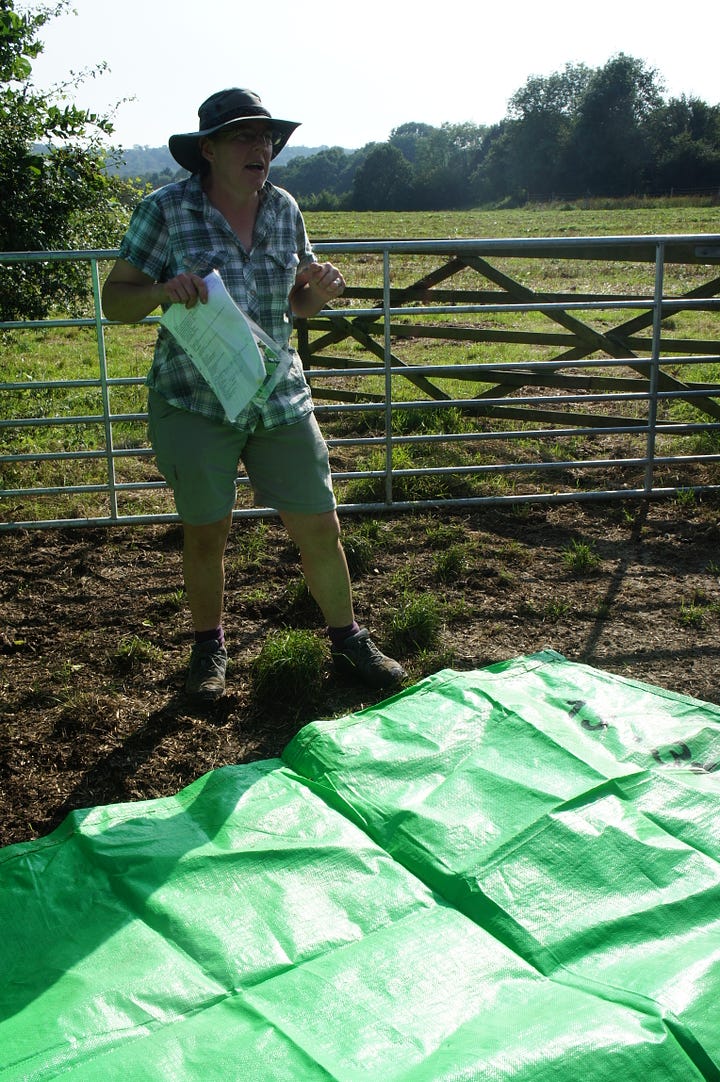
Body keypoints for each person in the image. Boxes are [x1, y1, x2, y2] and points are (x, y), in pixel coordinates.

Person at [102, 88, 406, 704]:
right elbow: (115, 302)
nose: (259, 147)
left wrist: (315, 295)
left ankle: (348, 639)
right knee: (206, 533)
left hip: (277, 397)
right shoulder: (166, 210)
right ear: (207, 151)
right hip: (194, 400)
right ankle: (209, 648)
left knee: (320, 525)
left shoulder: (286, 208)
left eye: (265, 137)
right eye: (243, 136)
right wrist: (162, 290)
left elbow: (291, 306)